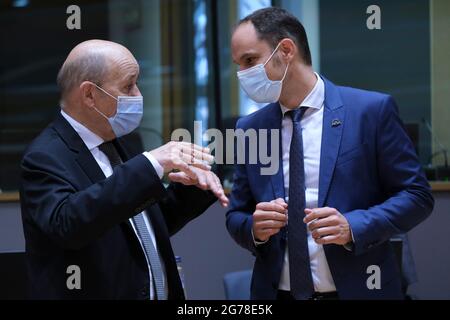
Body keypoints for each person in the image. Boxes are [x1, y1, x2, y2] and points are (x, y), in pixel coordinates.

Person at [226, 7, 433, 300]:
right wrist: (254, 228)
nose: (242, 74)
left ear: (286, 50)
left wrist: (353, 226)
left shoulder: (369, 112)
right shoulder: (251, 128)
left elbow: (417, 195)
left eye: (250, 60)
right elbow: (236, 215)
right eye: (238, 64)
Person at [20, 39, 229, 300]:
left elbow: (143, 224)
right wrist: (151, 164)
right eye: (128, 86)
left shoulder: (121, 141)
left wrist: (192, 188)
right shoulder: (45, 155)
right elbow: (68, 225)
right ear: (89, 95)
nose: (138, 95)